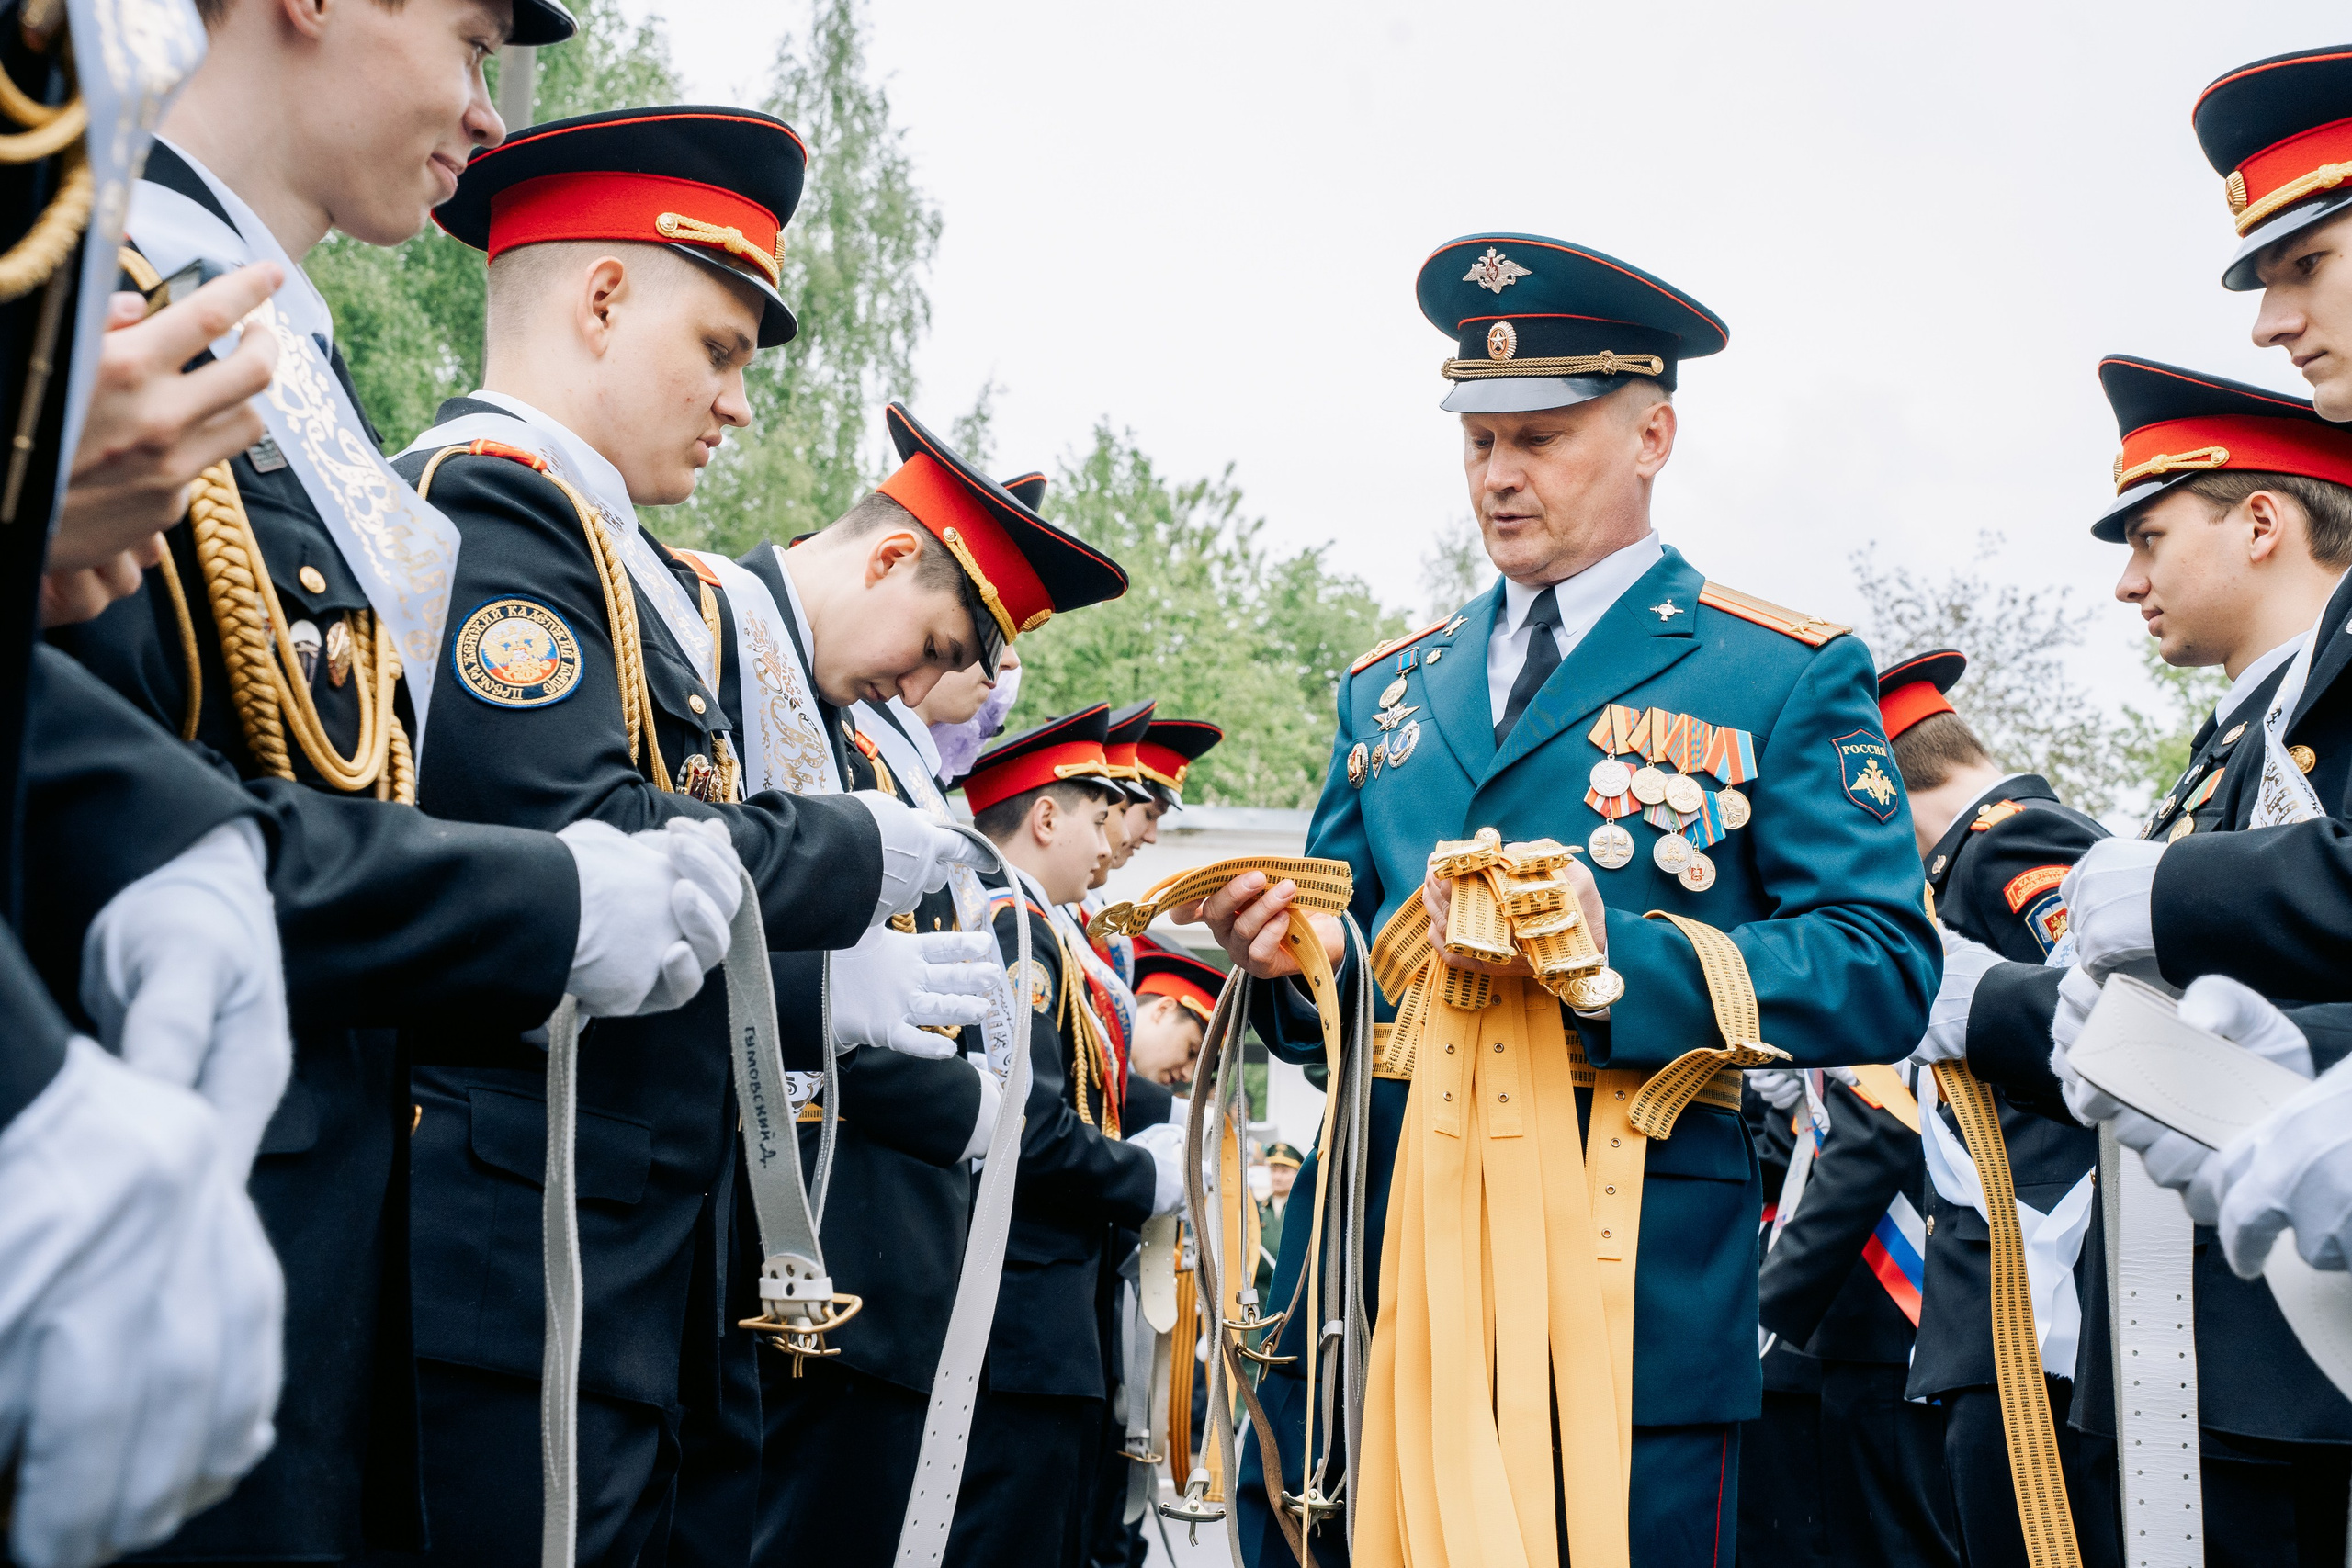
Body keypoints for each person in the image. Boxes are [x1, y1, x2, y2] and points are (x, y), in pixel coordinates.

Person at [1187, 231, 1939, 1567]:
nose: (1498, 474)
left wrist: (1619, 958)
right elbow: (1345, 1003)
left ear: (1652, 435)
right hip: (1374, 1262)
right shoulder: (1390, 689)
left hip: (1619, 1272)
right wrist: (1290, 964)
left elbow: (1883, 962)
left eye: (1538, 438)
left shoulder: (1775, 672)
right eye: (1478, 441)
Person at [379, 107, 995, 1563]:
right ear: (601, 299)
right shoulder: (489, 506)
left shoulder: (616, 557)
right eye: (719, 349)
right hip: (531, 1241)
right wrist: (842, 854)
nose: (737, 404)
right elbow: (582, 837)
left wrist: (808, 985)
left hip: (629, 1244)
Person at [719, 416, 1126, 1568]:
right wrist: (967, 1108)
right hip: (796, 1248)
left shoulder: (860, 731)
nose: (932, 685)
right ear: (892, 557)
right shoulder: (726, 644)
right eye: (943, 649)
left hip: (884, 1268)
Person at [1874, 650, 2116, 1568]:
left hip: (2035, 1302)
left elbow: (2105, 1039)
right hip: (2006, 1303)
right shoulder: (1971, 860)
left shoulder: (2011, 843)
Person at [950, 707, 1190, 1568]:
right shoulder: (1012, 927)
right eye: (1100, 815)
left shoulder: (1039, 926)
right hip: (1017, 1320)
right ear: (1046, 817)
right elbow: (1030, 1130)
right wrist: (1148, 1179)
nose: (1111, 839)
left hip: (1042, 1319)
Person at [1754, 1062, 1956, 1568]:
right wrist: (1796, 1108)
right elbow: (1789, 1151)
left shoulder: (1867, 1016)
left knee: (1895, 1547)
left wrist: (1765, 1304)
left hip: (1889, 1317)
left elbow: (1878, 1130)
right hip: (1839, 1325)